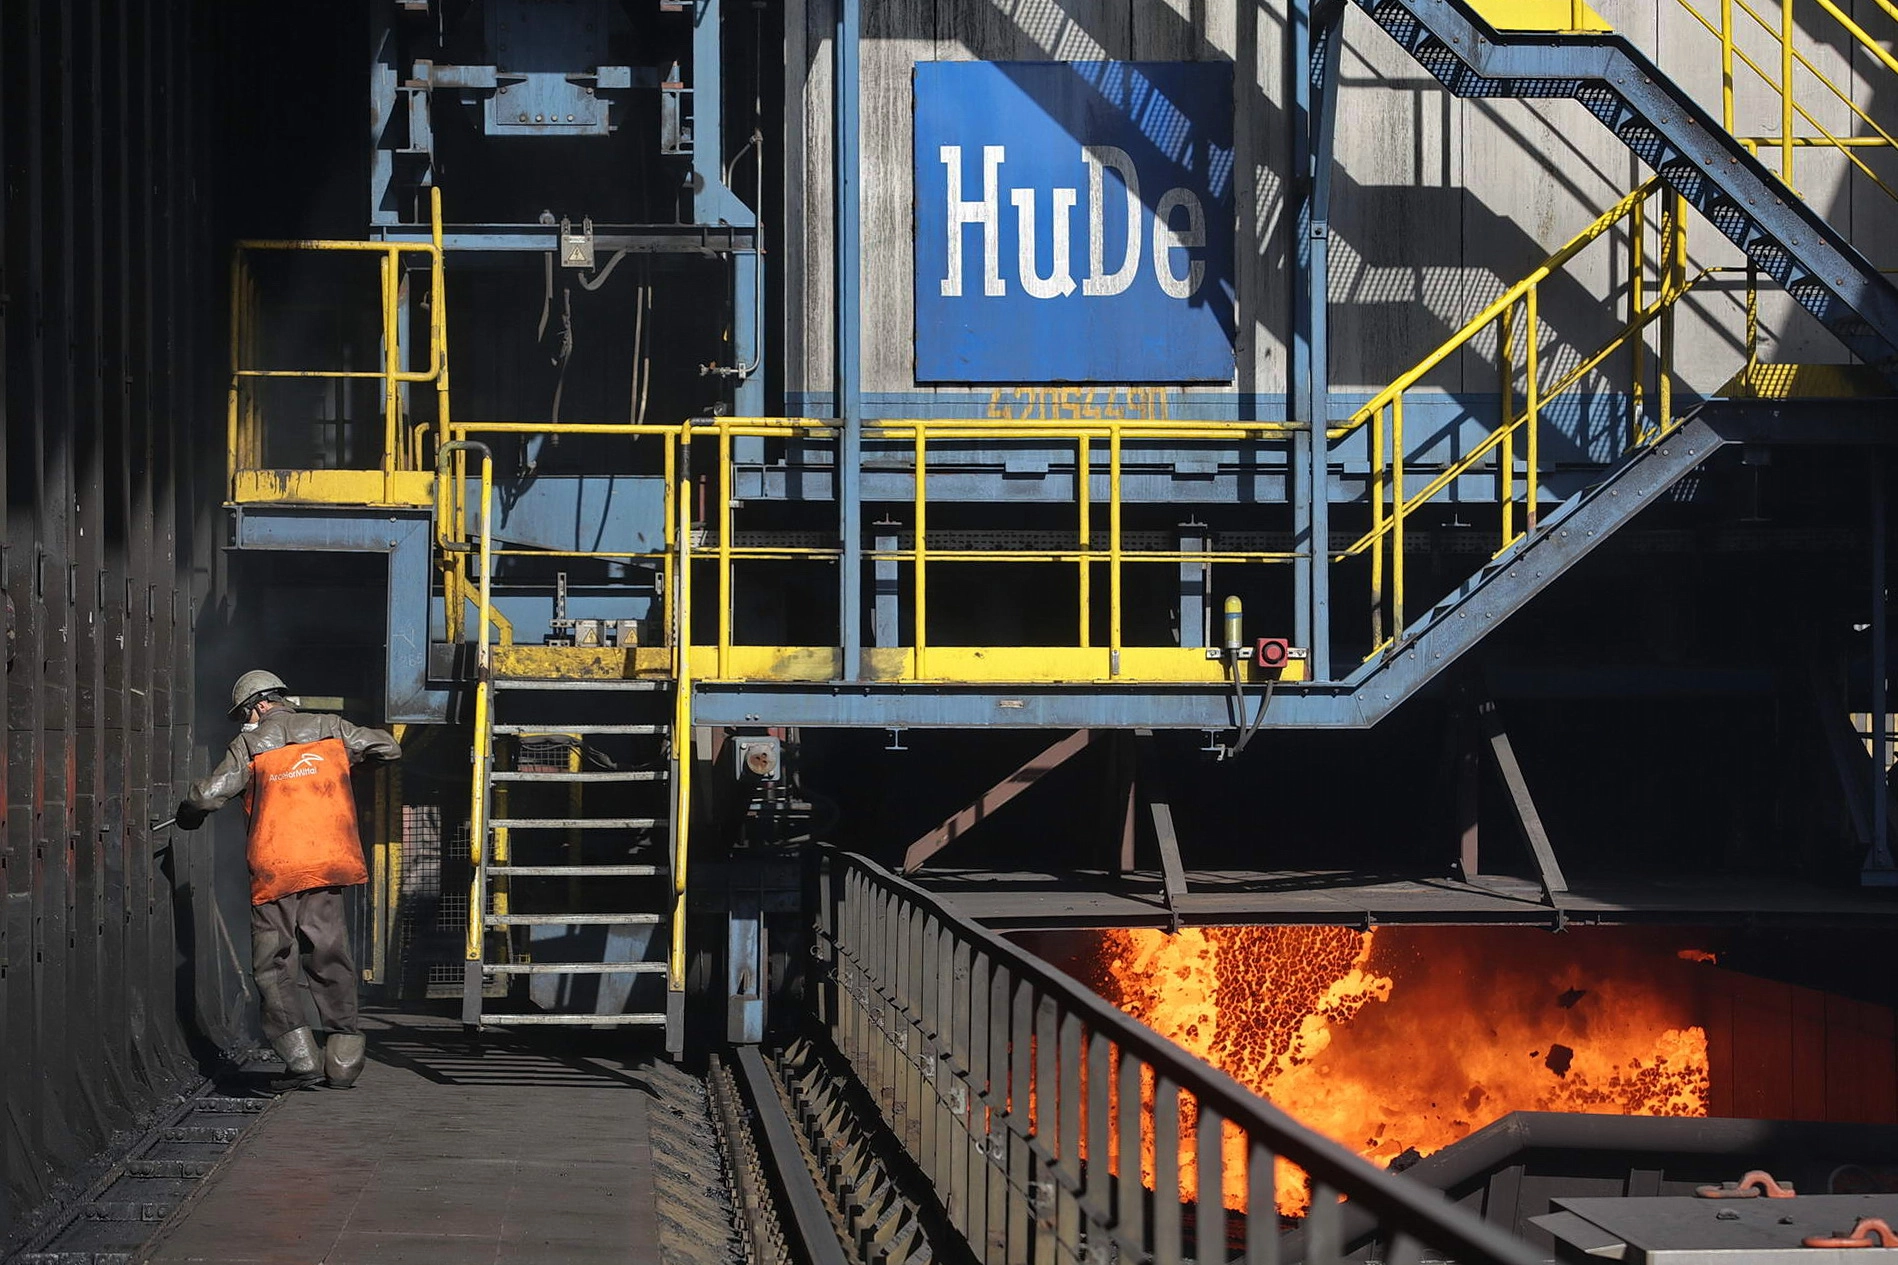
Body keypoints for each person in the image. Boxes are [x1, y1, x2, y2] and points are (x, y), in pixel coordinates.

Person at [176, 670, 401, 1089]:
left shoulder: (249, 743)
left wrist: (188, 814)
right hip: (326, 861)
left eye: (246, 713)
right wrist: (347, 762)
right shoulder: (331, 729)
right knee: (330, 953)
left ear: (257, 707)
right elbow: (387, 747)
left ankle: (301, 1059)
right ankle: (344, 1057)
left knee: (273, 961)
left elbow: (208, 795)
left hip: (276, 867)